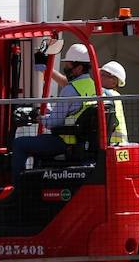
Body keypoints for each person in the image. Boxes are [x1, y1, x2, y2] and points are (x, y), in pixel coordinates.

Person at [10, 43, 98, 181]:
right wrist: (44, 68)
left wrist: (38, 117)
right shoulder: (94, 87)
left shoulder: (70, 90)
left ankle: (18, 190)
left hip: (64, 141)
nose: (66, 68)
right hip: (82, 142)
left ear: (79, 68)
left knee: (19, 144)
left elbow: (54, 122)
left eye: (68, 65)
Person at [99, 60, 129, 145]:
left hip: (113, 143)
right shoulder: (114, 95)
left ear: (114, 81)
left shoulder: (109, 95)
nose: (100, 77)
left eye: (103, 75)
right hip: (117, 143)